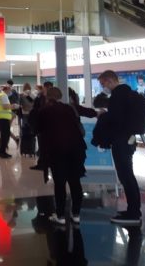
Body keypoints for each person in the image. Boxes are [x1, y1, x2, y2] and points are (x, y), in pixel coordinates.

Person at [97, 70, 142, 226]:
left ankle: (134, 213)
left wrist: (103, 115)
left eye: (103, 84)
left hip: (121, 141)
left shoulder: (118, 96)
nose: (103, 87)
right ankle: (133, 209)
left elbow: (116, 119)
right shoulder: (128, 93)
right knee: (127, 175)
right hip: (128, 139)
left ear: (110, 81)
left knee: (126, 176)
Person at [37, 87, 87, 225]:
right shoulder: (69, 108)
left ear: (47, 96)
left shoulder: (45, 110)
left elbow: (38, 128)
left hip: (56, 150)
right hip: (75, 148)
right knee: (75, 181)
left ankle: (60, 215)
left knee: (60, 183)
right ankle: (76, 213)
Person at [29, 81, 54, 170]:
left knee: (43, 145)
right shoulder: (46, 97)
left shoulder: (44, 98)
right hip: (46, 125)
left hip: (43, 125)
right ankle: (45, 163)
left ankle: (43, 164)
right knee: (44, 145)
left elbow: (38, 109)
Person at [0, 85, 18, 158]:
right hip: (3, 118)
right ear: (7, 89)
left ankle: (1, 151)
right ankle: (2, 152)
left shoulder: (0, 95)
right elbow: (5, 106)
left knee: (4, 135)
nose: (10, 92)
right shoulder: (4, 95)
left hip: (1, 118)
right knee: (5, 136)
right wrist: (13, 106)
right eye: (10, 90)